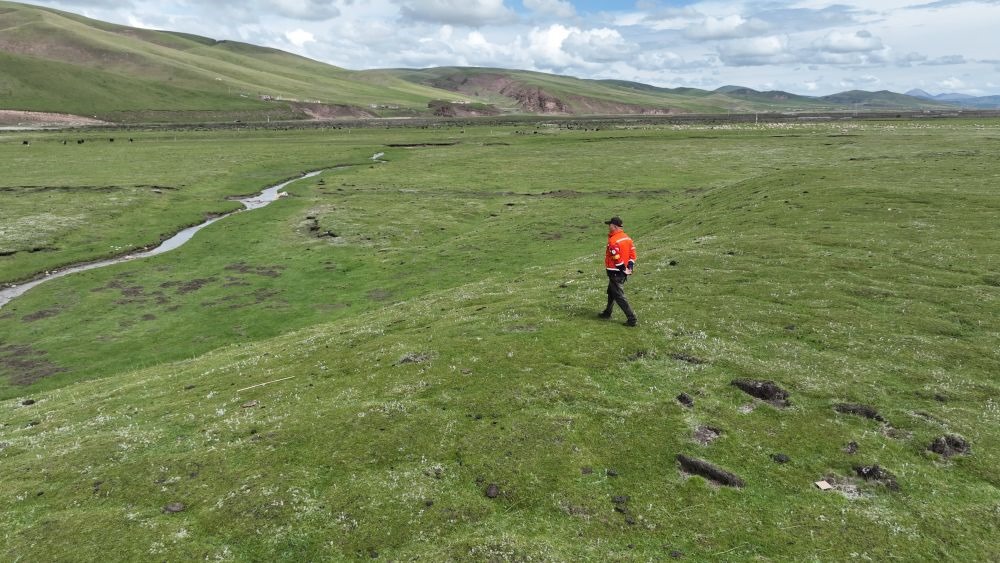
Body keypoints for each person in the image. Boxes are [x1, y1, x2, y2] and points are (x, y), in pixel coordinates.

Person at [599, 216, 637, 326]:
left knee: (619, 296)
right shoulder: (627, 238)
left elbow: (616, 257)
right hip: (621, 271)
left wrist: (623, 269)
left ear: (614, 226)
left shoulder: (613, 240)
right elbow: (632, 254)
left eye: (609, 224)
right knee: (611, 292)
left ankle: (632, 319)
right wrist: (629, 267)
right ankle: (607, 312)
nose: (608, 226)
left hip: (616, 272)